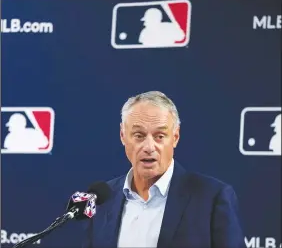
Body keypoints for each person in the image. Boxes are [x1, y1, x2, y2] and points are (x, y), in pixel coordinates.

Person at [82, 91, 245, 248]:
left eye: (160, 136)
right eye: (139, 135)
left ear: (175, 137)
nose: (149, 147)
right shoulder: (102, 199)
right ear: (123, 135)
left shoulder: (212, 198)